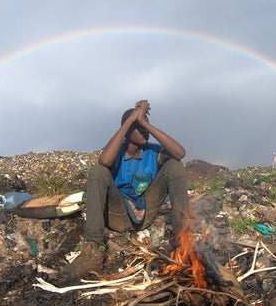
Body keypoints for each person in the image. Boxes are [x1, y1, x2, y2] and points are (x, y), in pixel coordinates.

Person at [61, 99, 190, 281]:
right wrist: (130, 121)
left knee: (175, 166)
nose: (145, 131)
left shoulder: (153, 153)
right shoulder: (116, 154)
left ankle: (183, 244)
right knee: (98, 171)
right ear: (127, 130)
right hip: (117, 215)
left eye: (145, 125)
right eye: (139, 127)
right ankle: (92, 252)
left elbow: (180, 153)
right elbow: (104, 162)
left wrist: (144, 122)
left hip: (145, 212)